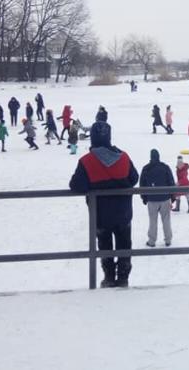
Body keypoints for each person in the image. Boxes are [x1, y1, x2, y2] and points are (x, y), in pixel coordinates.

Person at [69, 121, 139, 288]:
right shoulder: (123, 157)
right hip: (123, 213)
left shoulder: (86, 161)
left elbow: (76, 185)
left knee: (104, 246)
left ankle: (108, 277)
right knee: (124, 244)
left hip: (100, 214)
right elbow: (134, 179)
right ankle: (123, 278)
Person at [140, 149, 176, 247]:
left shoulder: (146, 169)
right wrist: (172, 196)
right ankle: (168, 240)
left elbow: (142, 184)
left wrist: (144, 197)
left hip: (152, 199)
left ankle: (152, 241)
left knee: (152, 220)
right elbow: (171, 182)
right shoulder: (165, 167)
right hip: (164, 198)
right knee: (166, 220)